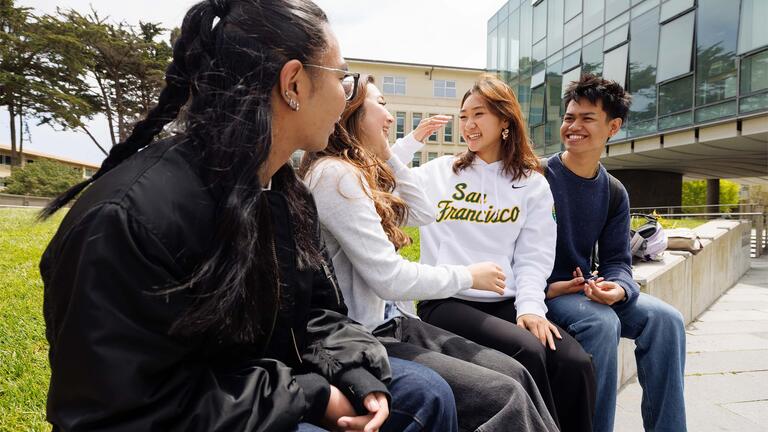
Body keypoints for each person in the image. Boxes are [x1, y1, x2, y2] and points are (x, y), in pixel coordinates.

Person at [38, 1, 459, 431]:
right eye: (342, 79)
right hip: (191, 410)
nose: (345, 98)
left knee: (425, 393)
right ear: (293, 82)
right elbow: (122, 411)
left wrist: (352, 372)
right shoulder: (129, 217)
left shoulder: (283, 188)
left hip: (265, 381)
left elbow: (317, 311)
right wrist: (313, 397)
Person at [299, 75, 559, 432]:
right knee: (504, 393)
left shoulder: (358, 173)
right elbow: (389, 278)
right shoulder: (337, 176)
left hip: (394, 323)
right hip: (368, 335)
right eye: (382, 105)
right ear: (354, 114)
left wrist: (387, 152)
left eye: (477, 115)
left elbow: (422, 212)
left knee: (515, 372)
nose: (391, 119)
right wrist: (469, 275)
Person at [392, 74, 597, 432]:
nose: (468, 125)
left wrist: (531, 308)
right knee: (527, 351)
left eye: (479, 115)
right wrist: (411, 142)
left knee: (574, 362)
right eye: (463, 116)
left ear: (505, 120)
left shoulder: (531, 183)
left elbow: (533, 257)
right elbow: (383, 181)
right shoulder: (439, 174)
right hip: (447, 299)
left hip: (504, 300)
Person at [543, 73, 687, 432]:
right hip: (545, 293)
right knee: (600, 322)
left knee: (667, 321)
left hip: (586, 289)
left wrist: (619, 288)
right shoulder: (538, 177)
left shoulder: (613, 191)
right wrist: (551, 288)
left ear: (613, 127)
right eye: (569, 117)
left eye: (587, 118)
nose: (574, 126)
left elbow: (617, 262)